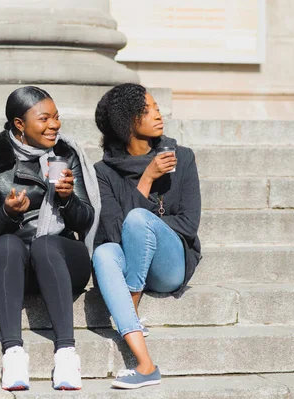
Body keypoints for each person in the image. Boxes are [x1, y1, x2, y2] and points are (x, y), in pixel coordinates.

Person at [0, 86, 100, 391]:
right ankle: (13, 353)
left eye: (56, 117)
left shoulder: (65, 155)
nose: (54, 125)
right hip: (16, 266)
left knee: (44, 245)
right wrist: (8, 212)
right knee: (5, 243)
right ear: (19, 124)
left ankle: (66, 351)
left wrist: (67, 199)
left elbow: (85, 220)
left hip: (64, 260)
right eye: (44, 119)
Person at [92, 83, 201, 389]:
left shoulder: (183, 157)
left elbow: (189, 225)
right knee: (103, 253)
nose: (158, 114)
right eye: (147, 110)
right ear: (127, 122)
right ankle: (146, 364)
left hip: (170, 265)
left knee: (139, 219)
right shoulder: (104, 171)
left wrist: (153, 225)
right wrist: (147, 179)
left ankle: (130, 305)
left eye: (156, 107)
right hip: (131, 259)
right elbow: (113, 231)